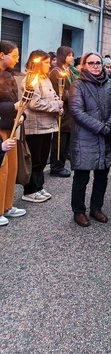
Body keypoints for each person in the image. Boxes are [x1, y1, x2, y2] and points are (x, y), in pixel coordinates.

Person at [68, 51, 111, 227]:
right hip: (85, 138)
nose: (95, 66)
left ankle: (96, 208)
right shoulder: (78, 85)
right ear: (84, 65)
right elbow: (77, 111)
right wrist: (101, 128)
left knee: (102, 176)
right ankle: (79, 211)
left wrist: (110, 125)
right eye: (91, 63)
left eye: (98, 63)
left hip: (105, 138)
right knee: (81, 177)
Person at [21, 50, 63, 203]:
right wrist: (54, 105)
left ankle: (39, 186)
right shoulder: (31, 79)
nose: (49, 64)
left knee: (43, 158)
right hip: (35, 126)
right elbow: (33, 103)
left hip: (47, 125)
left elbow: (54, 97)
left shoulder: (45, 78)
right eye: (46, 62)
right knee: (35, 159)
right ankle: (30, 190)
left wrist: (59, 105)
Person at [0, 40, 26, 225]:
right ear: (2, 55)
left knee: (12, 169)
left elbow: (18, 101)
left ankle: (7, 206)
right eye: (14, 56)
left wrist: (21, 114)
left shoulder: (10, 75)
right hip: (1, 128)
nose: (17, 60)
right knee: (2, 170)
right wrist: (13, 107)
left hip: (12, 127)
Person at [49, 46, 77, 178]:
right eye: (69, 55)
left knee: (66, 138)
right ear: (62, 56)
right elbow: (58, 92)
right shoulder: (56, 71)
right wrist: (75, 95)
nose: (72, 57)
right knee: (60, 139)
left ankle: (61, 163)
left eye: (72, 55)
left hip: (69, 110)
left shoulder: (70, 71)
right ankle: (56, 166)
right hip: (62, 109)